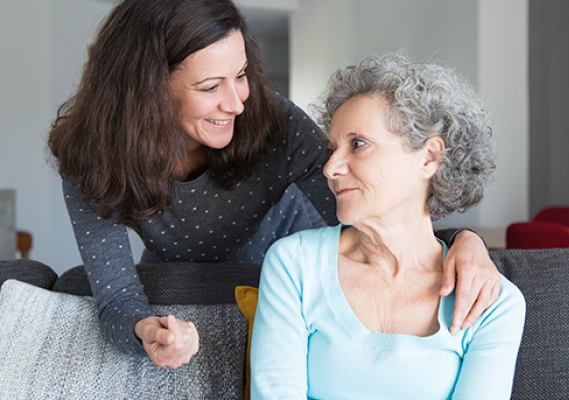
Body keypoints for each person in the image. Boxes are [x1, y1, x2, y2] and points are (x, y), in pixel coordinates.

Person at [47, 0, 501, 370]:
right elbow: (117, 300)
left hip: (290, 270)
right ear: (144, 90)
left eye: (241, 75)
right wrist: (145, 329)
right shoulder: (92, 158)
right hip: (180, 277)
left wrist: (461, 241)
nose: (236, 102)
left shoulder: (273, 121)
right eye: (210, 86)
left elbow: (381, 208)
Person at [251, 52, 526, 399]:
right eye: (332, 148)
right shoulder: (294, 264)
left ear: (429, 158)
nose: (330, 168)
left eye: (358, 144)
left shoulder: (492, 302)